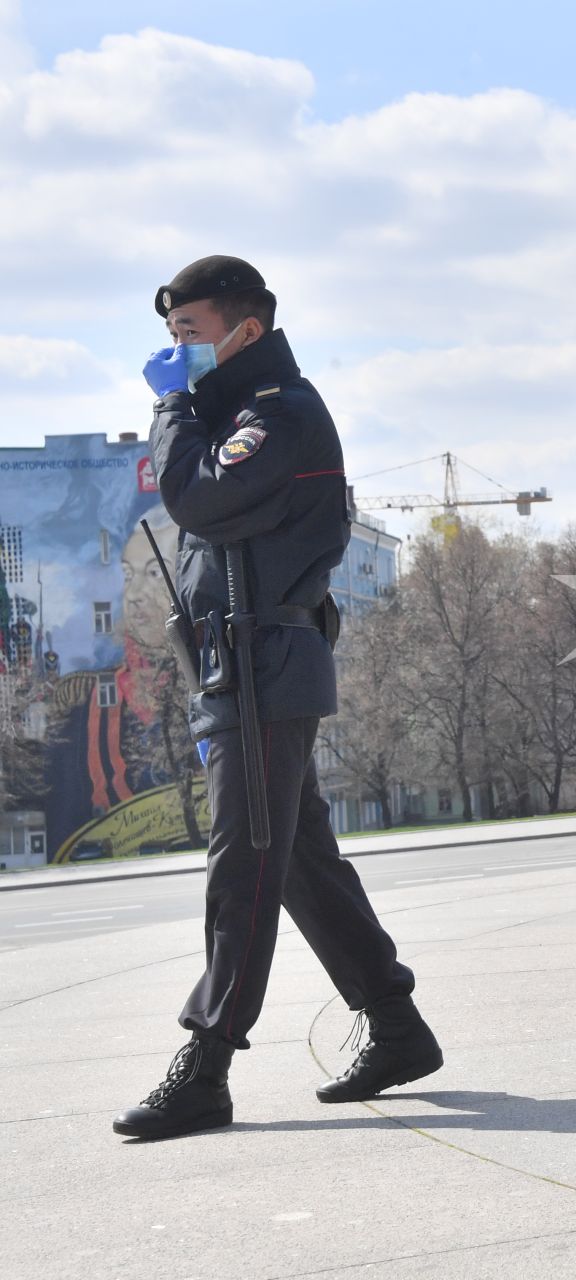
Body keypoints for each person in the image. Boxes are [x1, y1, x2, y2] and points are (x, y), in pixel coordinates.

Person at [113, 257, 442, 1141]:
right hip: (239, 668)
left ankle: (207, 1063)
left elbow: (192, 496)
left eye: (190, 336)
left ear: (245, 332)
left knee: (244, 865)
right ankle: (398, 1027)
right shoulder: (238, 417)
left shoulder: (280, 417)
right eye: (170, 338)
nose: (175, 354)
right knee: (294, 861)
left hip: (264, 667)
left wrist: (173, 406)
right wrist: (190, 406)